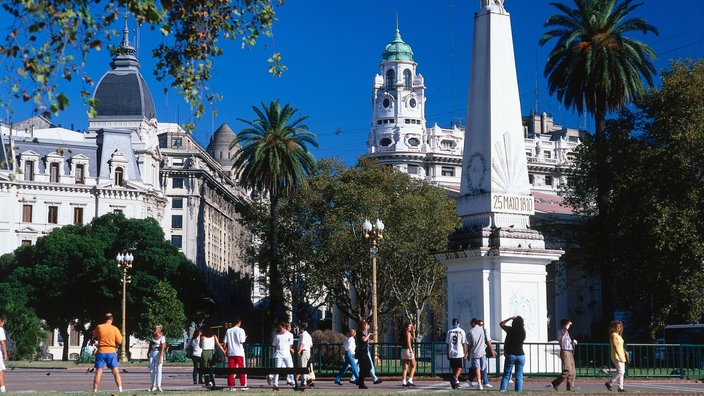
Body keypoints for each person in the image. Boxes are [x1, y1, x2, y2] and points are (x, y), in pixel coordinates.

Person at [91, 313, 123, 393]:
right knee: (115, 371)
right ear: (112, 319)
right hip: (111, 351)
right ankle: (120, 389)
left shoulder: (99, 327)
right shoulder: (115, 329)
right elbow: (119, 341)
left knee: (98, 371)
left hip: (101, 351)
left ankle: (95, 390)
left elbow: (94, 335)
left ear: (104, 319)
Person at [499, 316, 526, 392]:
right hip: (521, 355)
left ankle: (503, 389)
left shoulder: (510, 330)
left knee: (507, 374)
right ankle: (518, 391)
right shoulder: (523, 331)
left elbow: (501, 324)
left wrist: (510, 318)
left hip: (511, 354)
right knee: (519, 375)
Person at [550, 318, 577, 391]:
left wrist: (573, 343)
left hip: (569, 351)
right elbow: (564, 330)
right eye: (567, 324)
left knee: (572, 371)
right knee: (567, 369)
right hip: (565, 351)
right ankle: (555, 383)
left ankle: (570, 387)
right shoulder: (561, 331)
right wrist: (568, 323)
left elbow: (568, 342)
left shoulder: (567, 333)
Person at [468, 317, 494, 390]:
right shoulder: (482, 330)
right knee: (483, 368)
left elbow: (470, 344)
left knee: (477, 368)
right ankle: (482, 382)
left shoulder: (470, 331)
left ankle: (479, 383)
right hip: (483, 351)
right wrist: (491, 349)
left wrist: (468, 353)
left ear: (473, 323)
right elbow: (487, 340)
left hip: (475, 352)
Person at [222, 317, 248, 390]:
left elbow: (225, 342)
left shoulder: (228, 331)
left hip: (231, 352)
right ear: (239, 323)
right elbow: (242, 341)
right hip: (239, 352)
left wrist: (225, 350)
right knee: (241, 369)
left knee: (231, 370)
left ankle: (231, 386)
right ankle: (243, 385)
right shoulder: (241, 330)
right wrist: (245, 337)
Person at [605, 320, 629, 392]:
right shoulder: (613, 335)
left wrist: (625, 352)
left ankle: (620, 388)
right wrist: (619, 356)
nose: (618, 328)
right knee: (621, 371)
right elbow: (615, 347)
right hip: (616, 355)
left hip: (621, 354)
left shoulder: (619, 335)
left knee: (622, 372)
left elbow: (620, 346)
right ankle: (609, 383)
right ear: (613, 328)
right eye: (617, 326)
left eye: (619, 326)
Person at [271, 322, 295, 391]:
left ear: (284, 327)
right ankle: (275, 384)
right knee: (277, 370)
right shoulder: (277, 335)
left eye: (280, 328)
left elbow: (290, 344)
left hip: (287, 354)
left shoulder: (290, 335)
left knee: (290, 368)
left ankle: (293, 383)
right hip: (279, 354)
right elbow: (275, 345)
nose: (279, 329)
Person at [446, 318, 467, 390]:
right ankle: (455, 378)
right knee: (460, 367)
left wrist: (447, 353)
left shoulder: (449, 332)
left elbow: (447, 344)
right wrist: (465, 352)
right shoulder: (461, 331)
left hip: (452, 351)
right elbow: (463, 343)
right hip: (459, 352)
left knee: (454, 368)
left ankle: (456, 382)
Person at [355, 320, 374, 389]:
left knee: (367, 367)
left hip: (364, 351)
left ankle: (360, 381)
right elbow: (363, 340)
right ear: (363, 326)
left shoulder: (363, 332)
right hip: (362, 352)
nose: (367, 326)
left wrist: (369, 341)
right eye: (366, 325)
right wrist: (369, 335)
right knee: (366, 367)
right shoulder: (359, 332)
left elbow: (364, 341)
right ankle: (360, 382)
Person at [147, 324, 166, 391]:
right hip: (152, 352)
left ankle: (159, 386)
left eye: (155, 329)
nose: (154, 330)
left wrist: (160, 358)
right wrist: (148, 352)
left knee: (159, 370)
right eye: (153, 329)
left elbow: (162, 348)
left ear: (159, 330)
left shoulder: (162, 337)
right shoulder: (152, 336)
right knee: (151, 370)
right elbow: (150, 344)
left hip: (158, 353)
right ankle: (153, 385)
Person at [400, 322, 417, 387]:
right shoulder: (408, 333)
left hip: (403, 351)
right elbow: (408, 342)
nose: (410, 327)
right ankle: (410, 380)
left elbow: (413, 337)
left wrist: (413, 330)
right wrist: (410, 350)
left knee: (405, 367)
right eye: (409, 326)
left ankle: (404, 382)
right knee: (414, 365)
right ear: (406, 327)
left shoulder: (405, 333)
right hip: (407, 350)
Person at [0, 315, 8, 393]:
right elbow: (2, 343)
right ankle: (3, 390)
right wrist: (5, 353)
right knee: (0, 372)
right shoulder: (0, 330)